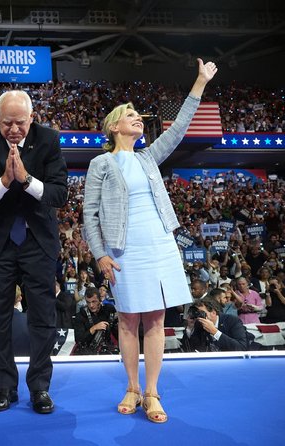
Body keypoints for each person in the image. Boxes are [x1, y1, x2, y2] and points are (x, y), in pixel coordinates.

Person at [83, 59, 218, 423]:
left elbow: (180, 129)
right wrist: (99, 255)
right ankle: (131, 386)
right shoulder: (101, 164)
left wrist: (199, 83)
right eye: (131, 116)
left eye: (140, 116)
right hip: (122, 251)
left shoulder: (148, 157)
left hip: (158, 244)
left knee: (156, 320)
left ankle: (153, 392)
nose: (138, 118)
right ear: (114, 126)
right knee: (127, 320)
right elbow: (88, 215)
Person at [0, 88, 67, 414]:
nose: (13, 129)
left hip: (38, 243)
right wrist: (5, 182)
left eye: (20, 123)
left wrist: (25, 179)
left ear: (32, 119)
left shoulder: (48, 140)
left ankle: (39, 388)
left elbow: (59, 194)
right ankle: (4, 388)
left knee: (42, 318)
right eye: (7, 122)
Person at [181, 297, 252, 352]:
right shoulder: (199, 324)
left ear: (213, 313)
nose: (198, 316)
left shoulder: (232, 321)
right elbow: (190, 350)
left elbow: (241, 348)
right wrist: (190, 329)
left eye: (201, 313)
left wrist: (215, 332)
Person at [73, 287, 118, 355]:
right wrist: (94, 328)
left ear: (100, 299)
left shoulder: (108, 309)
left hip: (107, 351)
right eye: (88, 302)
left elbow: (117, 332)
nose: (91, 305)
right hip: (87, 352)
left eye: (94, 301)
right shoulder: (81, 315)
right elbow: (79, 340)